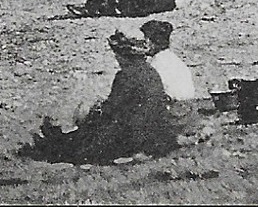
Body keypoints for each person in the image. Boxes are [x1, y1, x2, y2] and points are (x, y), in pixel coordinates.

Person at [20, 31, 179, 165]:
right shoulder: (150, 72)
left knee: (90, 140)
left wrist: (93, 111)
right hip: (153, 131)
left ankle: (51, 146)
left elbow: (112, 109)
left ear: (122, 56)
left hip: (134, 134)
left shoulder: (126, 76)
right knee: (94, 130)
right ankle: (56, 141)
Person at [140, 19, 200, 135]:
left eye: (145, 39)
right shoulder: (175, 60)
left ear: (149, 41)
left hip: (174, 116)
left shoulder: (156, 65)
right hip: (190, 113)